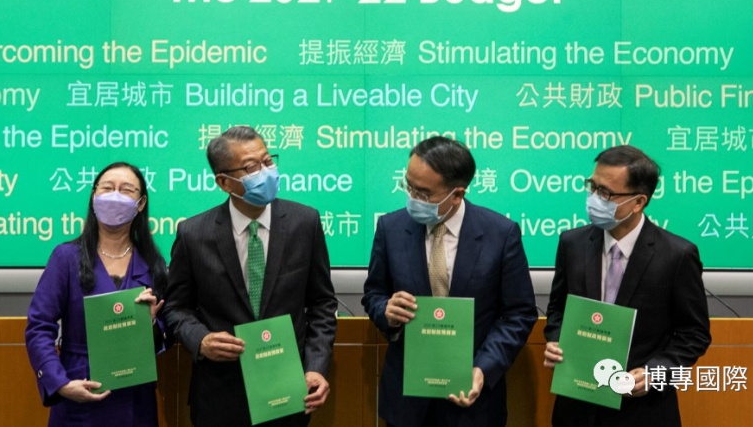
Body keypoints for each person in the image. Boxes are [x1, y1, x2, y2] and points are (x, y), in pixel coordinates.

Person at [163, 126, 336, 427]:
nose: (265, 172)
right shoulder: (193, 234)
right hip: (220, 397)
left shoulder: (304, 222)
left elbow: (322, 304)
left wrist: (316, 366)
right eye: (251, 168)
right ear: (224, 182)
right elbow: (176, 308)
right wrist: (201, 340)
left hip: (288, 391)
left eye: (268, 161)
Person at [363, 135, 538, 427]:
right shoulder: (391, 228)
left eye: (423, 193)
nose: (412, 198)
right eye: (409, 186)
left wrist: (483, 368)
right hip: (407, 401)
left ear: (457, 194)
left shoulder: (500, 234)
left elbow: (519, 313)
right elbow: (374, 294)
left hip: (473, 403)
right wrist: (387, 312)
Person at [543, 145, 711, 426]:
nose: (594, 198)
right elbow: (558, 309)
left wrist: (655, 373)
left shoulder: (677, 255)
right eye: (592, 187)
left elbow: (694, 334)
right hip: (577, 407)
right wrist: (557, 341)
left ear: (638, 202)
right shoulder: (572, 243)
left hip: (642, 411)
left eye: (606, 193)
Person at [26, 161, 168, 426]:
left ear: (140, 203)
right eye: (107, 188)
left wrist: (149, 324)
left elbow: (164, 339)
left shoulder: (153, 264)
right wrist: (60, 383)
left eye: (126, 190)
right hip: (79, 391)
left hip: (136, 399)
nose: (115, 196)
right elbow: (38, 327)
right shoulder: (66, 258)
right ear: (94, 197)